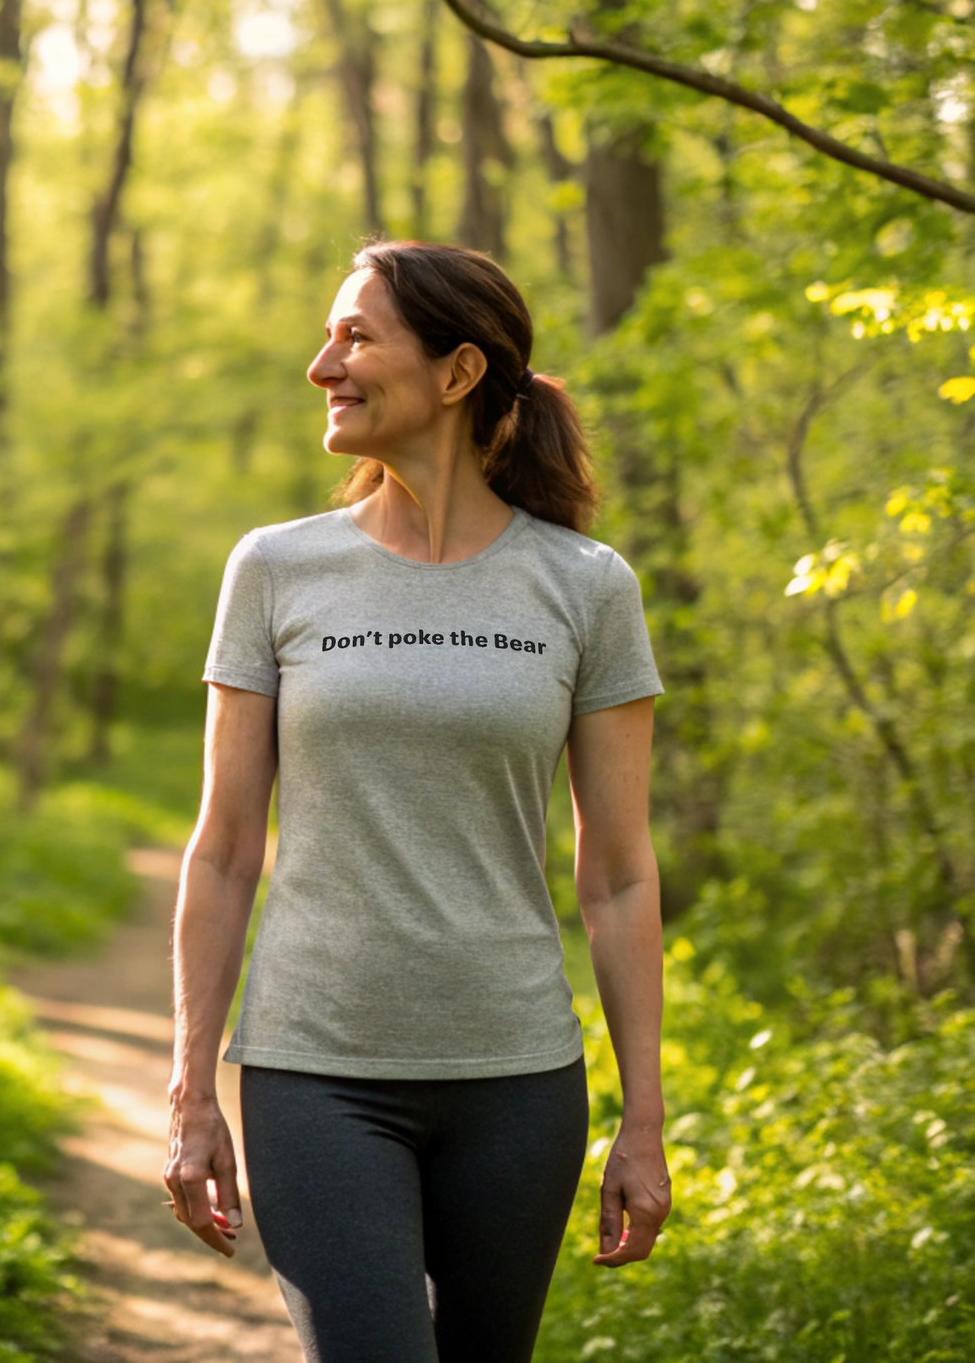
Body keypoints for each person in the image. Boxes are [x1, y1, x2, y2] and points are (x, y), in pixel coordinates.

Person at [163, 238, 671, 1363]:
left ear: (454, 373)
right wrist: (190, 1088)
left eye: (354, 336)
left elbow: (619, 872)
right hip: (315, 1070)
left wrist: (643, 1117)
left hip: (517, 1080)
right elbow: (224, 848)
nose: (319, 365)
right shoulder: (275, 569)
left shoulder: (585, 586)